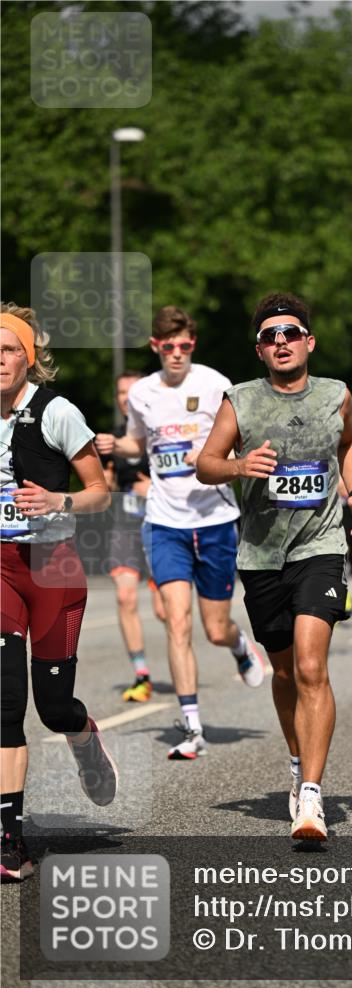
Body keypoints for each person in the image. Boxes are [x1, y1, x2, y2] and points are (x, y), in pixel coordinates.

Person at [197, 292, 352, 841]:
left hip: (322, 545)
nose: (281, 342)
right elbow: (205, 465)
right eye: (270, 337)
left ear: (308, 342)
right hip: (262, 554)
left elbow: (350, 443)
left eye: (290, 333)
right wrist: (240, 465)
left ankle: (312, 797)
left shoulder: (335, 395)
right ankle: (297, 767)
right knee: (287, 671)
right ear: (259, 351)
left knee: (314, 667)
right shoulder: (240, 401)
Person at [95, 306, 265, 762]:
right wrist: (118, 446)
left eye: (184, 345)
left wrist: (213, 454)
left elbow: (241, 439)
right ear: (155, 347)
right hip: (165, 521)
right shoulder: (144, 393)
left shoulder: (214, 384)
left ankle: (240, 645)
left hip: (213, 520)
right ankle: (192, 726)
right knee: (177, 619)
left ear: (194, 344)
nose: (176, 353)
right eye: (167, 346)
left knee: (213, 628)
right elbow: (137, 441)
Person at [1, 304, 116, 883]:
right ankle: (9, 842)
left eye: (8, 350)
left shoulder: (56, 411)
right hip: (0, 567)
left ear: (28, 358)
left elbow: (100, 489)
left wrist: (58, 501)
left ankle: (82, 733)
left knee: (51, 708)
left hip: (52, 566)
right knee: (3, 702)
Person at [103, 371, 166, 702]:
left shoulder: (160, 431)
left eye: (132, 391)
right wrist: (106, 482)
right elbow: (106, 484)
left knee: (164, 610)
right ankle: (141, 674)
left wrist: (153, 489)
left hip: (160, 527)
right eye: (121, 393)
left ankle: (186, 663)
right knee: (126, 598)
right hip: (125, 527)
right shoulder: (113, 438)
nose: (126, 398)